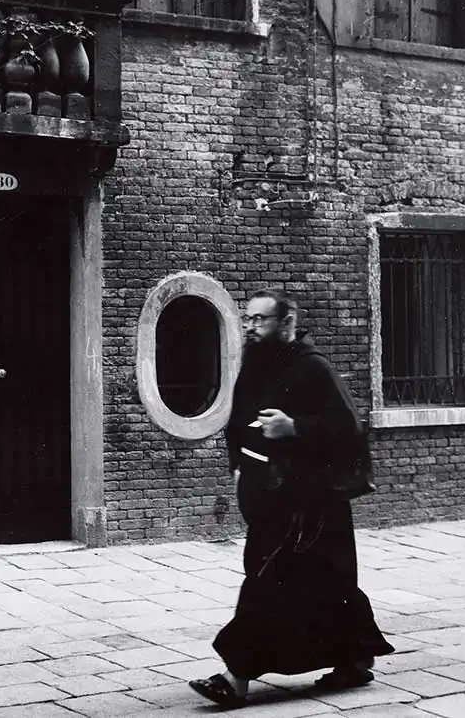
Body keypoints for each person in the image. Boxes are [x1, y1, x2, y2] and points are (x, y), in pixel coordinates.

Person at [189, 290, 394, 708]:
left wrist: (295, 427)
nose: (250, 328)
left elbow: (349, 428)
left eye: (260, 321)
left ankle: (236, 676)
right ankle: (354, 659)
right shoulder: (254, 364)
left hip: (310, 502)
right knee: (328, 584)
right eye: (247, 320)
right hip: (270, 495)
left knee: (268, 580)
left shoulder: (313, 368)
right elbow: (237, 420)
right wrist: (237, 468)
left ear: (287, 323)